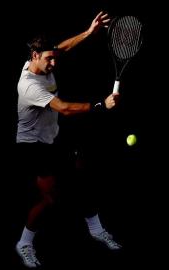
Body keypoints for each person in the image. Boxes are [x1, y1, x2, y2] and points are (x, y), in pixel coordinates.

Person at [15, 11, 122, 268]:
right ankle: (24, 243)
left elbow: (60, 48)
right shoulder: (29, 85)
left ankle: (96, 230)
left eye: (53, 59)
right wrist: (101, 105)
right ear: (34, 57)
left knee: (82, 177)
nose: (54, 64)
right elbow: (63, 108)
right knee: (48, 199)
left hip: (53, 138)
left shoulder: (44, 58)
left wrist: (88, 32)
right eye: (49, 60)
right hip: (33, 147)